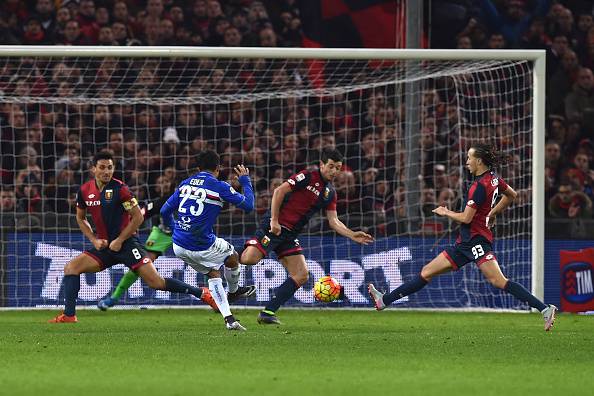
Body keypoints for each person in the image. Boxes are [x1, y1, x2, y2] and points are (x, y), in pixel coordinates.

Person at [368, 143, 558, 331]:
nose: (466, 162)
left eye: (469, 158)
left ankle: (544, 309)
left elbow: (466, 218)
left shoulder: (478, 186)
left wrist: (446, 212)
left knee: (498, 281)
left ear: (479, 161)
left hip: (476, 241)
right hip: (464, 243)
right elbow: (511, 195)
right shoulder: (493, 179)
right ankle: (384, 300)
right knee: (426, 272)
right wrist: (492, 213)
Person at [49, 152, 216, 323]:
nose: (106, 171)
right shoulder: (85, 191)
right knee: (71, 268)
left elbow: (138, 217)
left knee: (156, 282)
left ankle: (202, 293)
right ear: (93, 169)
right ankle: (69, 315)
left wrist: (120, 240)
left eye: (110, 167)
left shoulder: (121, 189)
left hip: (128, 244)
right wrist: (94, 240)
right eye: (102, 167)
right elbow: (80, 217)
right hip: (105, 247)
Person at [240, 148, 375, 325]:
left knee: (301, 275)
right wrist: (274, 220)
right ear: (322, 164)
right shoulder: (308, 176)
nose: (334, 171)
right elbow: (279, 191)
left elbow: (333, 221)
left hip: (290, 235)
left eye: (338, 168)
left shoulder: (330, 193)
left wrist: (352, 235)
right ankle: (224, 255)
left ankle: (268, 312)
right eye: (331, 166)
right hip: (276, 227)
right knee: (249, 259)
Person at [160, 150, 256, 331]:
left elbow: (164, 211)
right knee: (233, 256)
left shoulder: (185, 184)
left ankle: (229, 319)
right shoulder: (220, 186)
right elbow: (249, 206)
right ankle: (234, 292)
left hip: (178, 245)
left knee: (213, 273)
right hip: (201, 244)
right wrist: (245, 181)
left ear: (198, 168)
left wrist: (174, 228)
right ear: (218, 168)